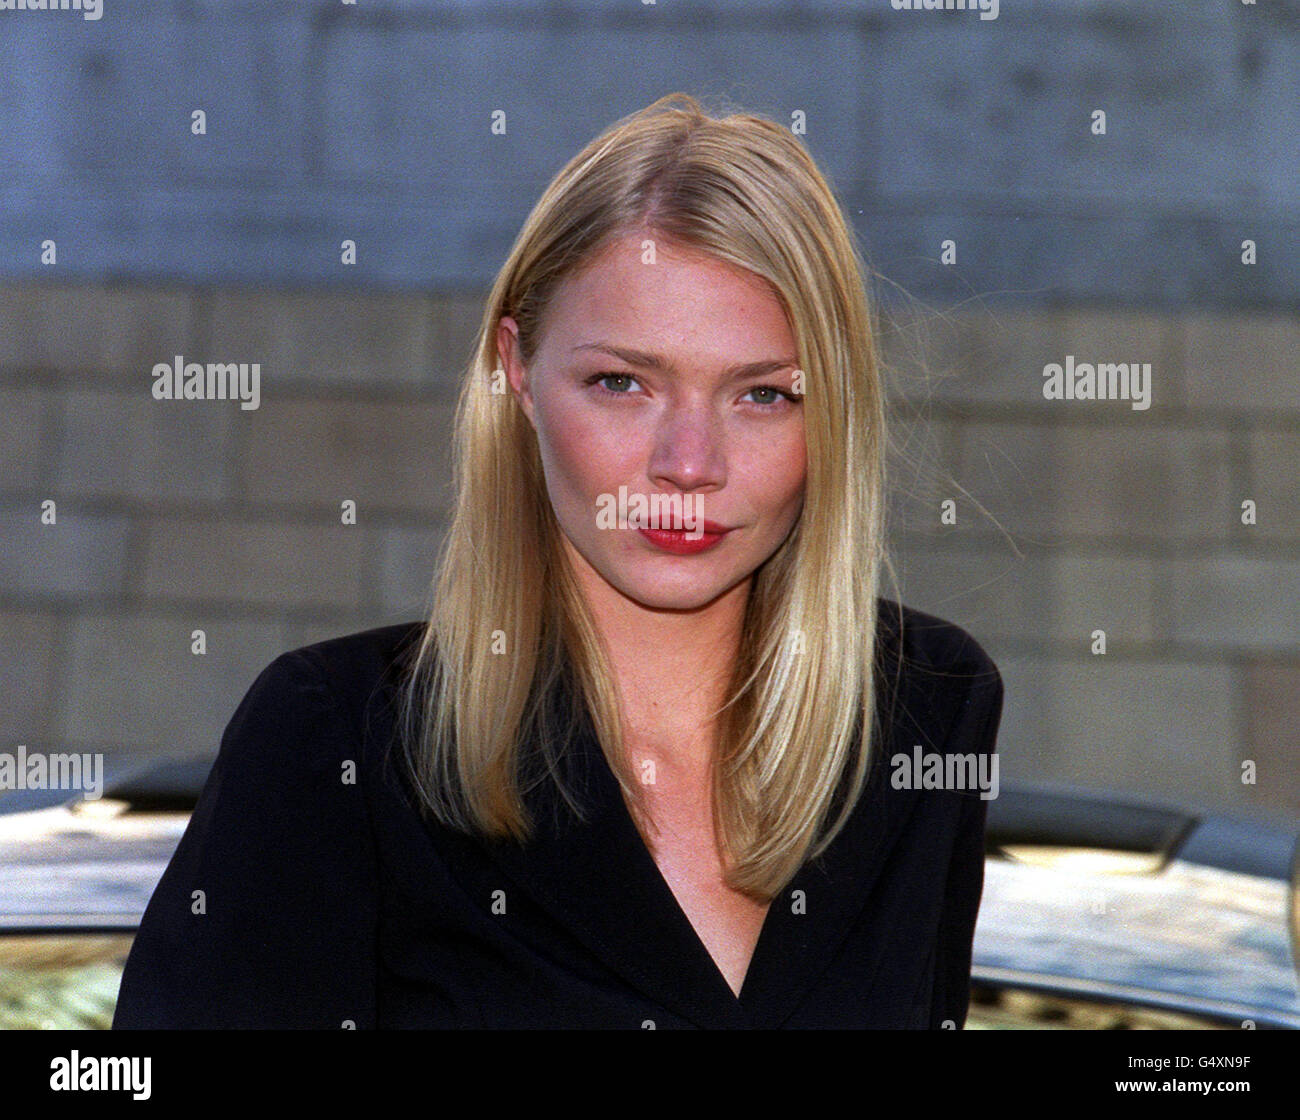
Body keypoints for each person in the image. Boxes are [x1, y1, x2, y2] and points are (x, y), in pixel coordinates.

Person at [113, 92, 1003, 1030]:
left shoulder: (922, 713)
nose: (688, 464)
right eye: (622, 383)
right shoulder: (338, 742)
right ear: (519, 373)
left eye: (765, 396)